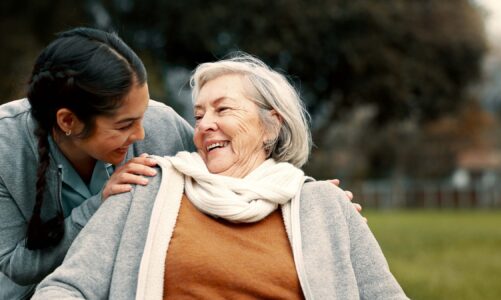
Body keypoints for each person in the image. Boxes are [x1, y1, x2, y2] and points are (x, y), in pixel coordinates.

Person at [32, 53, 408, 299]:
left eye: (222, 109)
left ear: (271, 126)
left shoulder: (323, 205)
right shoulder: (148, 187)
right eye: (198, 115)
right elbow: (68, 287)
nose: (205, 125)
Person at [0, 27, 195, 299]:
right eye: (125, 125)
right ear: (67, 121)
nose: (141, 134)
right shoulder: (5, 145)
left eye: (143, 113)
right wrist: (100, 204)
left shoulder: (164, 126)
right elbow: (14, 264)